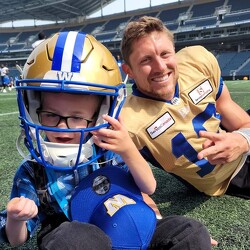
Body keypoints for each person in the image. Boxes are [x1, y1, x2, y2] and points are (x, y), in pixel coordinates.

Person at [0, 31, 213, 250]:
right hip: (75, 233)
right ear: (34, 111)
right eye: (51, 115)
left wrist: (128, 150)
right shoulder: (32, 172)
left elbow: (148, 186)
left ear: (100, 115)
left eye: (77, 117)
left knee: (190, 232)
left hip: (125, 221)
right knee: (70, 240)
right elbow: (17, 239)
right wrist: (16, 219)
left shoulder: (108, 149)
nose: (63, 126)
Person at [120, 16, 250, 200]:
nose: (160, 67)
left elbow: (242, 121)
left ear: (174, 52)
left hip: (234, 136)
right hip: (233, 174)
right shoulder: (128, 122)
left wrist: (242, 140)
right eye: (146, 60)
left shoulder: (197, 61)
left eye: (165, 54)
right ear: (129, 71)